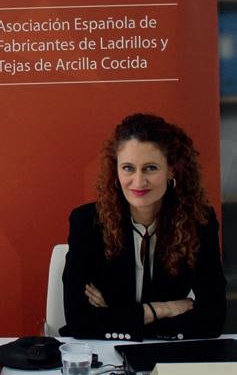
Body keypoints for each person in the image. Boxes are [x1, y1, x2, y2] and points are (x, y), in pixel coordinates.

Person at [60, 113, 226, 341]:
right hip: (101, 351)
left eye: (150, 168)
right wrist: (164, 309)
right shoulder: (87, 222)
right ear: (116, 170)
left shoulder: (199, 222)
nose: (138, 182)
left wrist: (115, 315)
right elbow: (79, 321)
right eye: (128, 168)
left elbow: (213, 319)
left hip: (166, 351)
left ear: (171, 170)